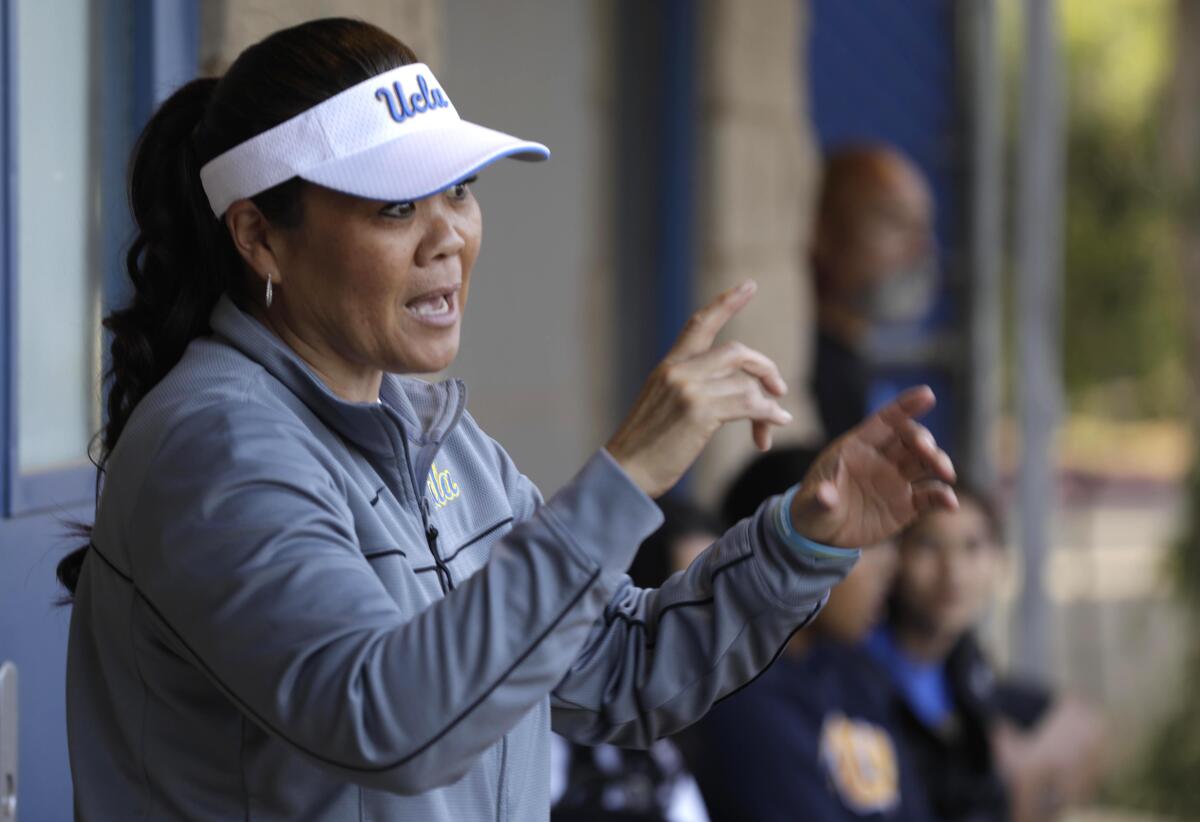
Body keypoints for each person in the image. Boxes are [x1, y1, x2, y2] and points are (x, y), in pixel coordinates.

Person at [58, 18, 958, 821]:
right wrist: (627, 475)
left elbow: (617, 668)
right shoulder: (215, 445)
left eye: (461, 189)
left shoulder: (436, 436)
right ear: (259, 237)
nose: (447, 235)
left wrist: (801, 540)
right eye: (398, 204)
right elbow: (392, 724)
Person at [687, 446, 933, 821]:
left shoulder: (856, 674)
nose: (891, 566)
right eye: (866, 541)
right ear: (790, 549)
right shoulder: (741, 693)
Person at [866, 487, 1105, 821]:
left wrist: (1026, 761)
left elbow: (1074, 718)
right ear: (895, 556)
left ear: (998, 561)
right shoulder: (860, 668)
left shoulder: (961, 658)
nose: (953, 572)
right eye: (929, 545)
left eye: (972, 547)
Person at [550, 498, 717, 822]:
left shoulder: (672, 738)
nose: (708, 630)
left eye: (716, 608)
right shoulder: (552, 718)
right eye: (691, 606)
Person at [810, 145, 935, 439]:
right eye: (893, 221)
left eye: (921, 227)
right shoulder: (802, 370)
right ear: (822, 230)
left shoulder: (857, 370)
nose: (918, 248)